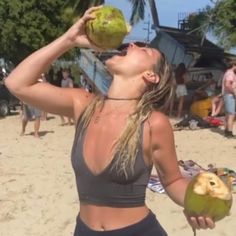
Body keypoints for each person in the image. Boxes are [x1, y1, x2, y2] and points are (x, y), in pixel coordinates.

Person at [5, 6, 215, 235]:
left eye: (144, 50)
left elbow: (173, 180)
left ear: (150, 76)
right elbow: (17, 83)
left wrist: (198, 204)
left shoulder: (153, 123)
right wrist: (69, 39)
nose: (132, 44)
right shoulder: (83, 104)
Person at [221, 62, 236, 138]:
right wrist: (234, 92)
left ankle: (227, 131)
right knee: (231, 114)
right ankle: (229, 133)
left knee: (228, 114)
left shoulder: (227, 72)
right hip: (230, 95)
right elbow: (227, 84)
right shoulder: (230, 74)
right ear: (234, 65)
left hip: (227, 95)